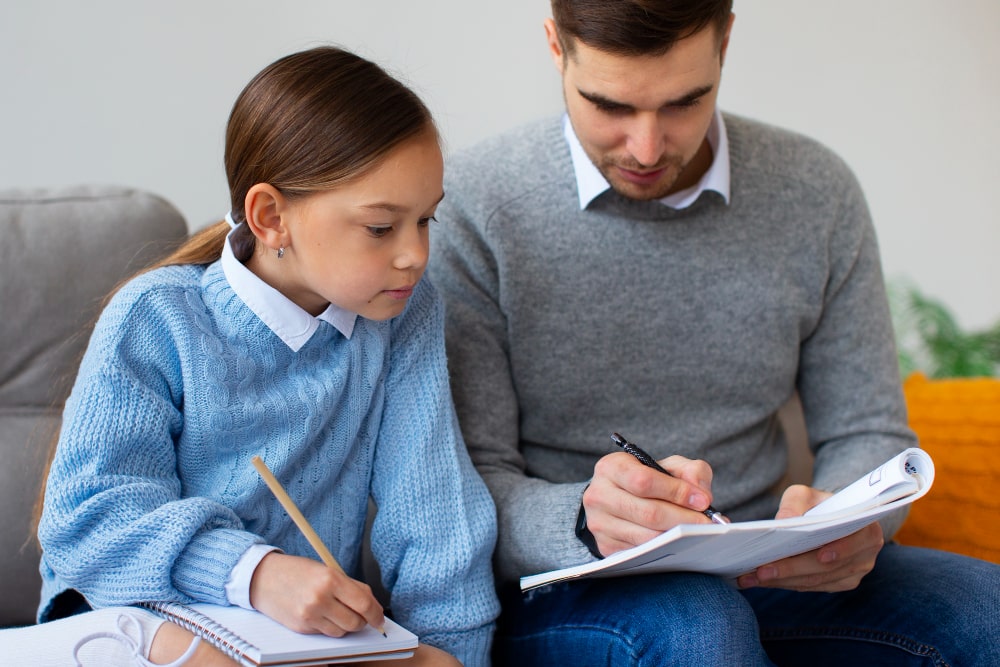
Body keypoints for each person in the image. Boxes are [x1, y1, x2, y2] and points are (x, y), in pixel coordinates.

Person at [427, 1, 1000, 665]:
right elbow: (469, 483)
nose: (646, 147)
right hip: (571, 582)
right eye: (609, 105)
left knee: (988, 611)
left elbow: (868, 432)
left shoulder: (816, 191)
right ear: (557, 47)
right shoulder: (473, 203)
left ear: (725, 41)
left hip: (770, 566)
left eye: (683, 102)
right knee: (702, 626)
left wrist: (845, 520)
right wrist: (588, 517)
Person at [1, 46, 499, 666]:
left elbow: (436, 520)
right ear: (270, 217)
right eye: (381, 227)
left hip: (295, 645)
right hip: (136, 621)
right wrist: (256, 574)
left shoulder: (403, 314)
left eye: (426, 219)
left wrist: (451, 653)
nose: (415, 255)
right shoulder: (157, 317)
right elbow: (87, 522)